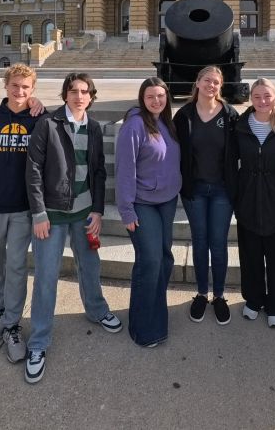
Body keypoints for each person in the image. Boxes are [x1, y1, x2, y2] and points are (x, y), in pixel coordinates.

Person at [25, 73, 121, 384]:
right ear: (65, 94)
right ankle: (38, 341)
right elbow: (34, 170)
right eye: (73, 91)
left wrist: (97, 210)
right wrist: (38, 213)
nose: (79, 96)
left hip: (83, 213)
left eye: (84, 92)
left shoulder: (92, 127)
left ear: (91, 96)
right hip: (51, 215)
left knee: (90, 265)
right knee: (46, 277)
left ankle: (97, 310)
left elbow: (98, 171)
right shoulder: (48, 124)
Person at [0, 64, 43, 363]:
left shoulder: (39, 119)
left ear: (32, 90)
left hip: (23, 205)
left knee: (16, 264)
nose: (20, 92)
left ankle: (13, 324)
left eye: (26, 88)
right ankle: (0, 310)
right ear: (6, 86)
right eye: (15, 86)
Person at [115, 77, 181, 347]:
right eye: (151, 96)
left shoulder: (167, 123)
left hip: (167, 201)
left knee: (164, 259)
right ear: (142, 98)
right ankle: (142, 328)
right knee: (150, 261)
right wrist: (127, 211)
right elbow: (124, 170)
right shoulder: (134, 126)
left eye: (161, 96)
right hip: (142, 203)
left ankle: (155, 314)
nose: (156, 101)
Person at [173, 66, 238, 325]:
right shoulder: (184, 115)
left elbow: (262, 117)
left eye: (216, 82)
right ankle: (201, 293)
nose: (211, 85)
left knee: (218, 243)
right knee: (200, 241)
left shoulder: (230, 115)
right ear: (197, 83)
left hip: (222, 190)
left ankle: (219, 296)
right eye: (207, 81)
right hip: (194, 190)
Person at [234, 77, 275, 329]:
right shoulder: (240, 125)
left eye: (267, 96)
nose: (262, 101)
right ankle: (254, 300)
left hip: (274, 194)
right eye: (257, 96)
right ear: (251, 99)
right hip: (247, 193)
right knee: (250, 254)